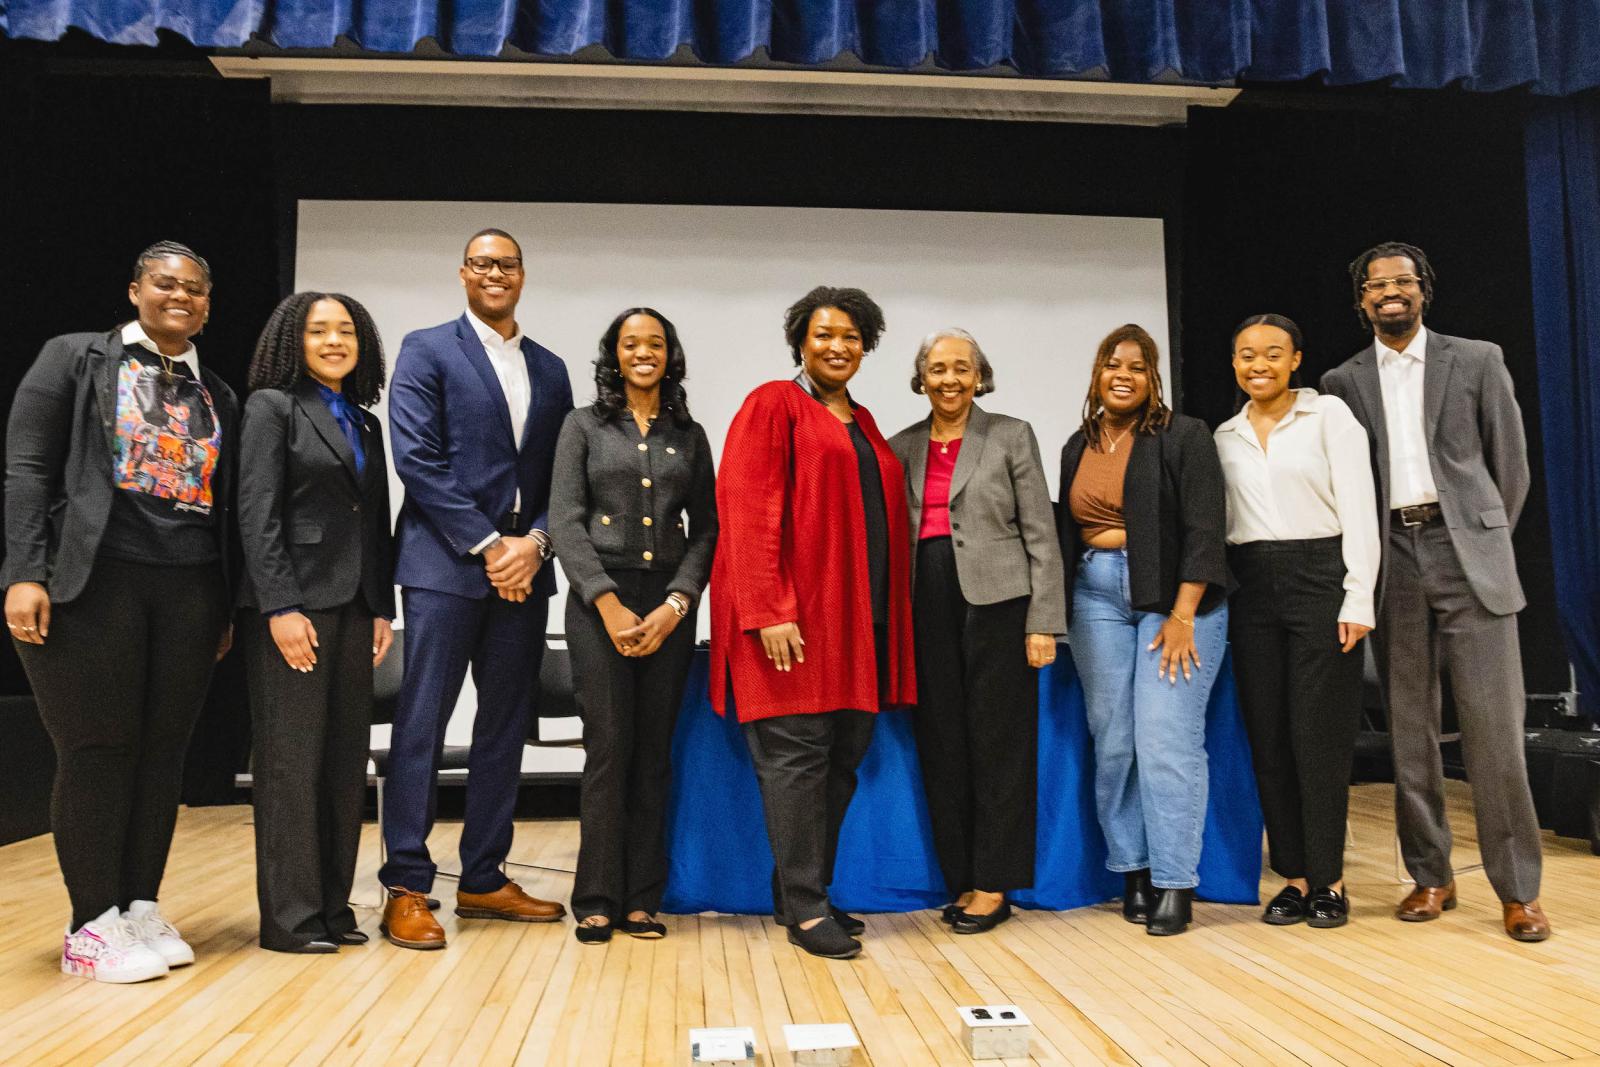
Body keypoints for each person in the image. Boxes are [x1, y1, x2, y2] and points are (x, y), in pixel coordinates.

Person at [3, 242, 237, 982]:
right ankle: (89, 922)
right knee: (97, 749)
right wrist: (23, 572)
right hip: (91, 582)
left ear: (207, 303)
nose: (181, 296)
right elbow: (28, 468)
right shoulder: (74, 358)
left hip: (190, 588)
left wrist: (224, 603)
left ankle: (138, 902)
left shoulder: (218, 393)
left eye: (195, 288)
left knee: (163, 751)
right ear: (135, 289)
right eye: (166, 283)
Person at [1322, 242, 1549, 942]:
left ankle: (1518, 889)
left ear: (1423, 289)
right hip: (1392, 555)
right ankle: (1429, 875)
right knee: (1409, 729)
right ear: (1360, 299)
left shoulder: (1477, 359)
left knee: (1495, 732)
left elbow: (1509, 469)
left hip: (1466, 551)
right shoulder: (1341, 380)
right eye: (1375, 284)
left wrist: (1478, 537)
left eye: (1402, 281)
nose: (1390, 292)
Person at [378, 228, 573, 949]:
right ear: (463, 272)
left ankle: (484, 876)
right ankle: (406, 884)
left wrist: (536, 543)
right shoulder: (427, 348)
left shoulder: (551, 369)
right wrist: (492, 545)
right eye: (483, 262)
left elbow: (563, 474)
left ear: (523, 275)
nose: (495, 272)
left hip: (526, 572)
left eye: (508, 263)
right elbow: (417, 461)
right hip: (445, 568)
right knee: (422, 725)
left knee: (504, 728)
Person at [709, 286, 916, 960]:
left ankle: (806, 891)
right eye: (824, 334)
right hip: (793, 627)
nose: (838, 346)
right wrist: (768, 607)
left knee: (841, 761)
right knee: (796, 762)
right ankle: (804, 908)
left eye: (852, 336)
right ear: (801, 339)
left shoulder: (864, 420)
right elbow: (748, 506)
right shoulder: (774, 403)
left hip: (856, 628)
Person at [887, 328, 1064, 934]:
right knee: (942, 745)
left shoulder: (1011, 434)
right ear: (921, 378)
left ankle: (995, 885)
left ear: (979, 375)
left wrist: (1043, 622)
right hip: (924, 606)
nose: (950, 379)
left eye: (962, 368)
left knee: (1000, 747)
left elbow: (1041, 532)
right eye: (938, 369)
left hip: (1000, 606)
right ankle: (962, 878)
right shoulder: (900, 446)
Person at [550, 308, 717, 945]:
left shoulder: (691, 434)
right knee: (609, 749)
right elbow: (565, 521)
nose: (643, 352)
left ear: (669, 355)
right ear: (613, 356)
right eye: (630, 343)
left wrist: (678, 604)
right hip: (601, 605)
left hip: (668, 607)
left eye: (655, 343)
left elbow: (705, 529)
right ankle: (595, 897)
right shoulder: (582, 426)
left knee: (653, 756)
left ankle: (642, 899)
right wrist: (608, 602)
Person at [1059, 323, 1231, 937]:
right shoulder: (1077, 445)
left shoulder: (1184, 436)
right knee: (1114, 739)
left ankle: (1174, 881)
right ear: (1098, 374)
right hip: (1096, 597)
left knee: (1165, 741)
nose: (1123, 374)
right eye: (1113, 364)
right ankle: (1131, 869)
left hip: (1173, 601)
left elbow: (1206, 529)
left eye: (1137, 365)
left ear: (1153, 377)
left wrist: (1185, 613)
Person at [238, 292, 396, 953]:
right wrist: (279, 605)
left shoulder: (365, 422)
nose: (335, 340)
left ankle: (332, 908)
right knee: (290, 763)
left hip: (355, 607)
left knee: (340, 764)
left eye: (347, 330)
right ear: (291, 341)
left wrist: (382, 604)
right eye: (318, 330)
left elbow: (376, 520)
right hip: (294, 607)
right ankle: (291, 919)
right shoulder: (272, 408)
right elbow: (257, 511)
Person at [1214, 314, 1379, 929]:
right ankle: (1294, 876)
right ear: (1234, 364)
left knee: (1320, 738)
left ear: (1296, 360)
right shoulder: (1223, 435)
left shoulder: (1329, 416)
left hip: (1320, 579)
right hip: (1251, 587)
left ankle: (1330, 879)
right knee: (1271, 739)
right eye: (1247, 355)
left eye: (1273, 354)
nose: (1259, 365)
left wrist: (1358, 597)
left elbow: (1360, 507)